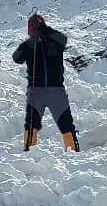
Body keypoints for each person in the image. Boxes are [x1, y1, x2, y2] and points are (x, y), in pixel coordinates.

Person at [13, 13, 78, 152]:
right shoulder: (28, 45)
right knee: (31, 124)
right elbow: (16, 58)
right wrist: (30, 42)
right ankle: (29, 152)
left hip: (56, 90)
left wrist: (45, 29)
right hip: (36, 91)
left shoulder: (55, 41)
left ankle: (73, 151)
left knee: (66, 122)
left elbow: (63, 39)